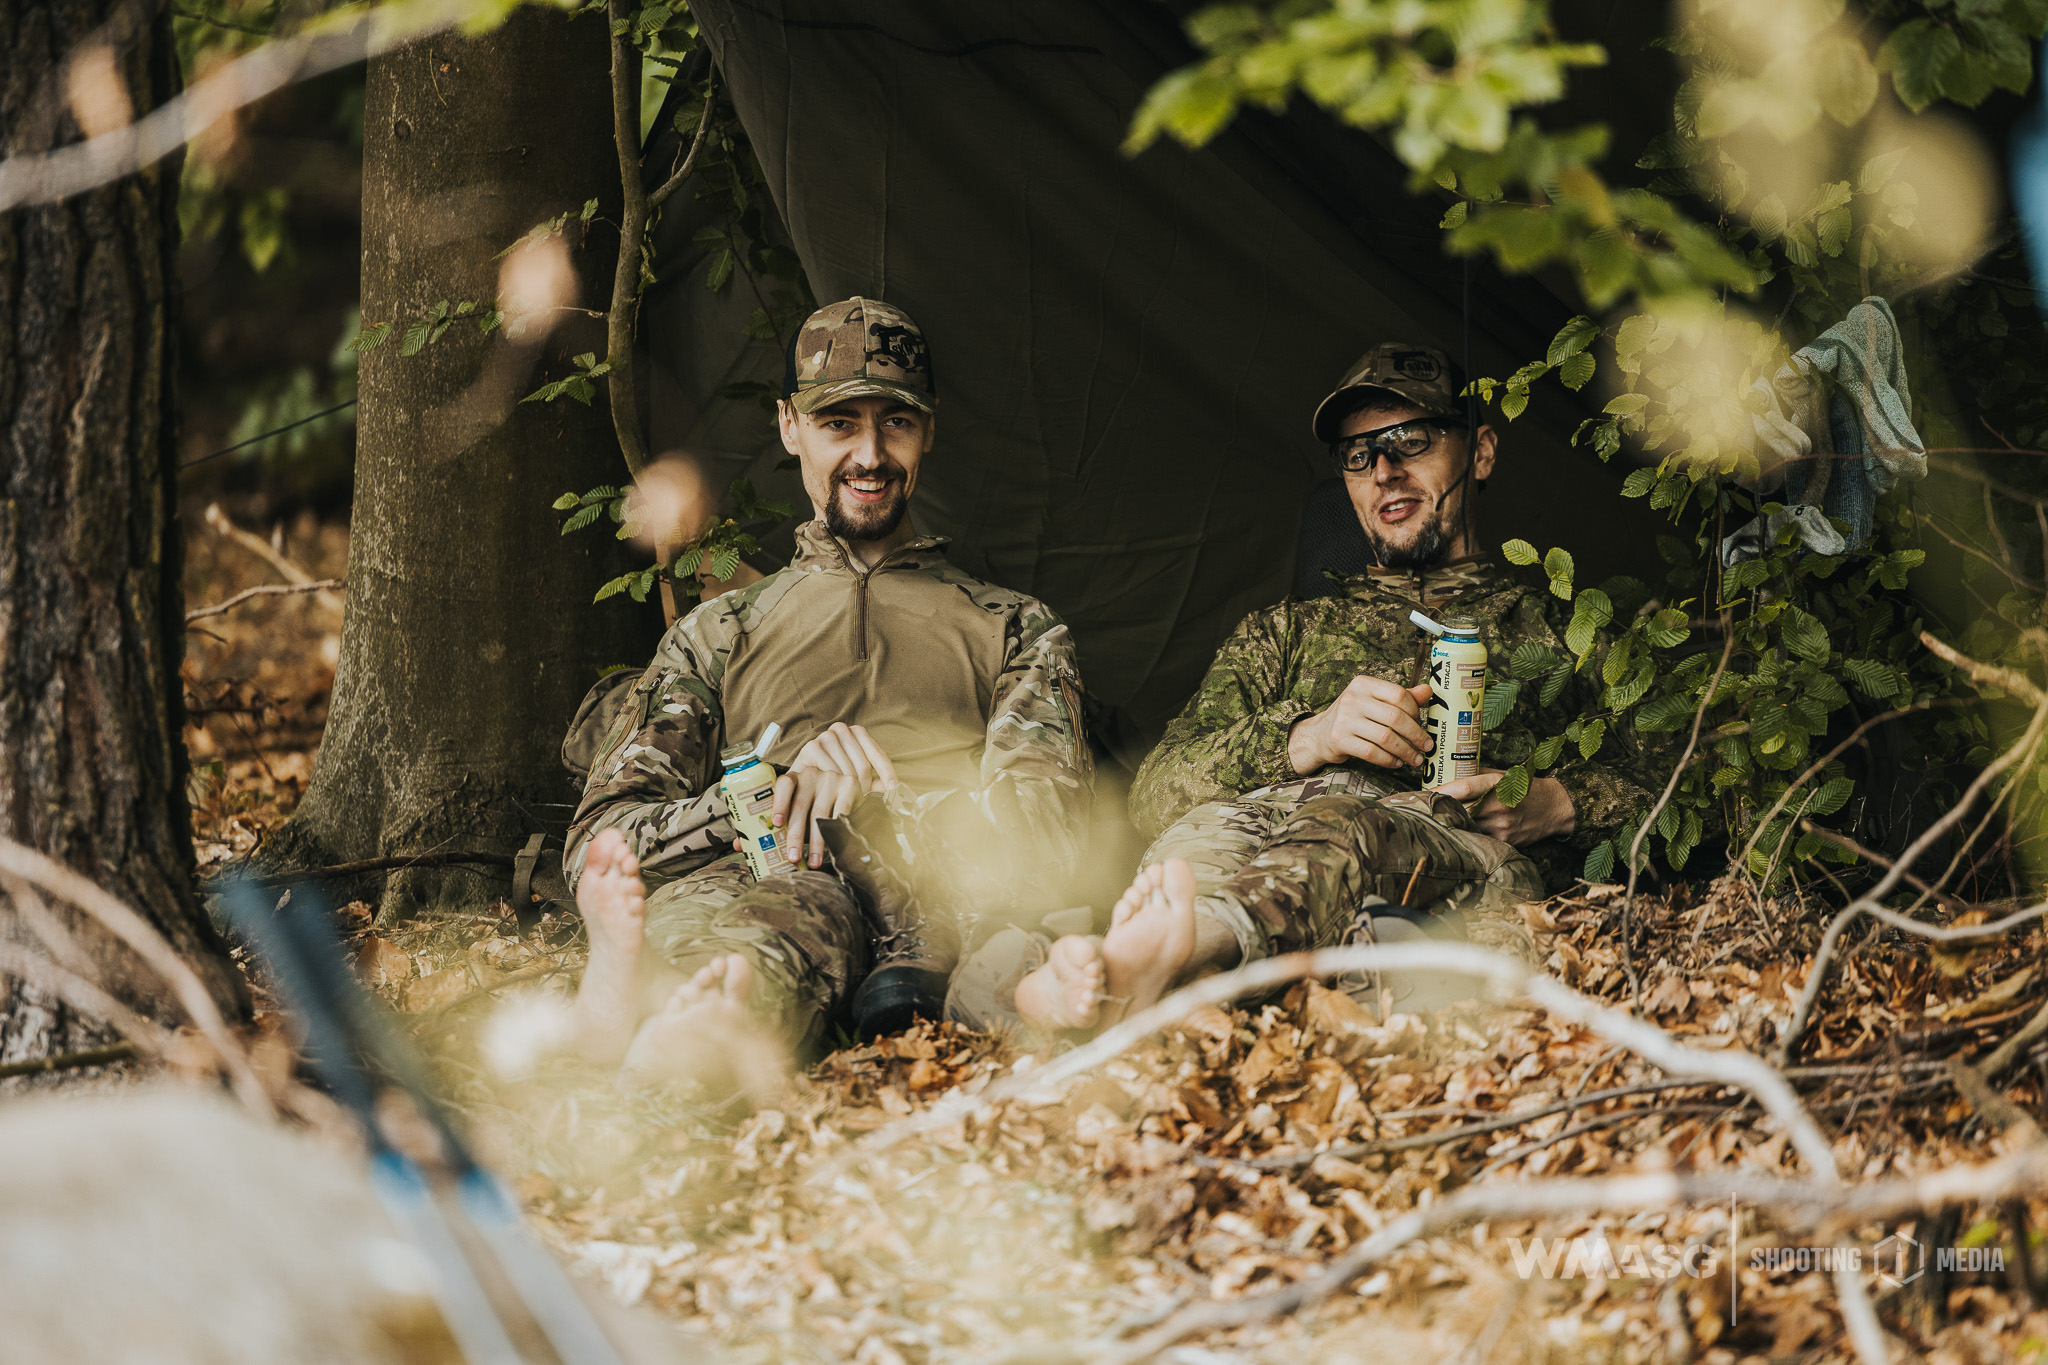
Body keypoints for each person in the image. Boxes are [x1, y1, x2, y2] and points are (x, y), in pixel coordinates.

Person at [1011, 341, 1665, 1034]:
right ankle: (1147, 971)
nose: (1384, 471)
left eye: (1410, 440)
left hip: (1450, 853)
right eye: (1359, 455)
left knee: (1349, 823)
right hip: (1260, 837)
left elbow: (1692, 788)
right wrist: (1306, 736)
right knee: (1197, 840)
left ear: (1479, 453)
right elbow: (1154, 789)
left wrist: (1559, 803)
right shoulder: (1283, 632)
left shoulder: (1564, 630)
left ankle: (1166, 956)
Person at [566, 296, 1092, 1083]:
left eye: (897, 423)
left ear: (929, 432)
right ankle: (657, 1003)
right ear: (789, 427)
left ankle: (682, 1019)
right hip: (760, 871)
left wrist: (878, 801)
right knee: (770, 915)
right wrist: (767, 789)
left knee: (831, 928)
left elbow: (1046, 837)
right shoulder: (720, 632)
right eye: (839, 423)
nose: (871, 454)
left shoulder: (1015, 628)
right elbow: (601, 836)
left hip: (933, 887)